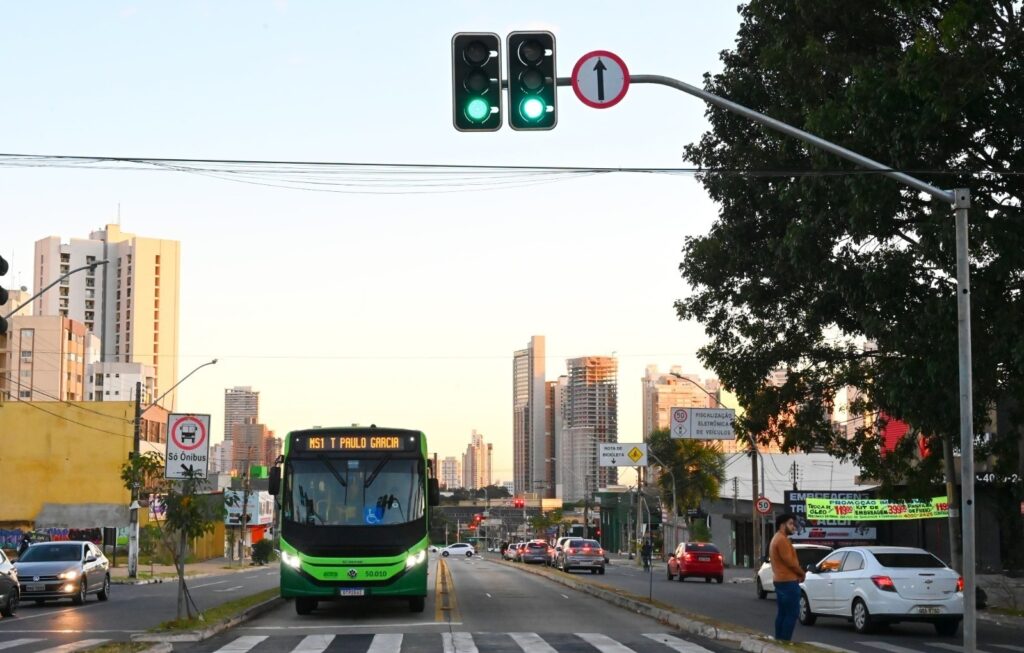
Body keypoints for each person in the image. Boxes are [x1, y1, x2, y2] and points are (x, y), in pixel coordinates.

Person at [769, 512, 806, 641]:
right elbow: (790, 562)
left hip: (780, 580)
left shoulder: (776, 538)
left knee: (783, 613)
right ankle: (784, 642)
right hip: (788, 582)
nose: (793, 527)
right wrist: (802, 573)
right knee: (792, 613)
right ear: (782, 525)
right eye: (790, 524)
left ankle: (779, 642)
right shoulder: (782, 540)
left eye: (793, 524)